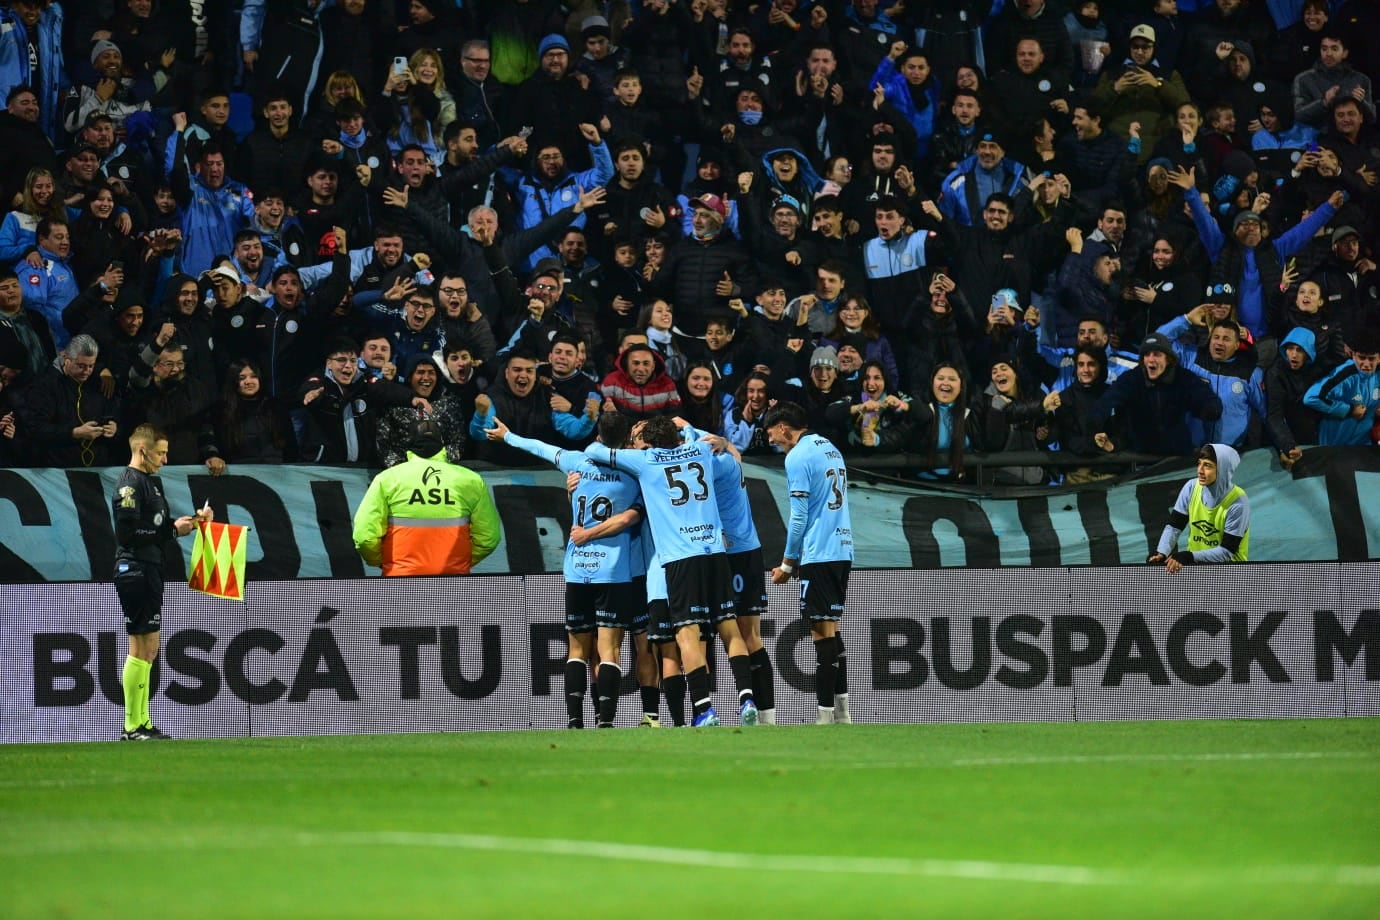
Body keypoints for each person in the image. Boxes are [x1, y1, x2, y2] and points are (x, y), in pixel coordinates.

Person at [582, 415, 757, 728]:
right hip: (715, 552)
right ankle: (746, 697)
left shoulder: (646, 461)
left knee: (685, 635)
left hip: (680, 558)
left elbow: (597, 453)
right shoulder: (700, 450)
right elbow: (729, 454)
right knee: (729, 628)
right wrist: (714, 438)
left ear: (649, 443)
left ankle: (704, 709)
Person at [485, 413, 646, 729]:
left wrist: (507, 436)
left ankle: (574, 720)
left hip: (577, 569)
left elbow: (541, 448)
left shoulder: (576, 462)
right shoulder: (634, 469)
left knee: (577, 648)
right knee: (609, 648)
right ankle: (606, 721)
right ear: (625, 438)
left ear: (598, 435)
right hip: (613, 571)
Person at [112, 423, 214, 740]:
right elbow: (128, 533)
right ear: (143, 450)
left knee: (149, 647)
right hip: (136, 568)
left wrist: (191, 524)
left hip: (150, 567)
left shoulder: (149, 483)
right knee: (141, 645)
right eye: (161, 453)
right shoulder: (130, 484)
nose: (165, 460)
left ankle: (142, 722)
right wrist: (171, 532)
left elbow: (156, 526)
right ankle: (132, 725)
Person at [766, 401, 854, 725]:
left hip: (818, 553)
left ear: (784, 427)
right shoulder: (829, 447)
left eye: (771, 432)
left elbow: (800, 515)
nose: (772, 439)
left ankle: (824, 715)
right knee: (833, 629)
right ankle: (842, 714)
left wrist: (788, 564)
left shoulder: (797, 456)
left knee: (821, 633)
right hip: (842, 548)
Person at [352, 417, 500, 576]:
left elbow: (364, 537)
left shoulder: (387, 479)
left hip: (399, 581)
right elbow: (488, 538)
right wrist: (460, 561)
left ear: (410, 443)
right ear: (441, 443)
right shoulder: (471, 480)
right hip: (454, 581)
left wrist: (382, 561)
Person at [1148, 443, 1250, 572]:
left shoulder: (1238, 502)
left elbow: (1226, 552)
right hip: (1197, 569)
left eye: (1207, 465)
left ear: (1223, 470)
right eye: (1199, 463)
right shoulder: (1191, 487)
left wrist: (1189, 556)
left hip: (1232, 573)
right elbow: (1174, 526)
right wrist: (1162, 552)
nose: (1200, 470)